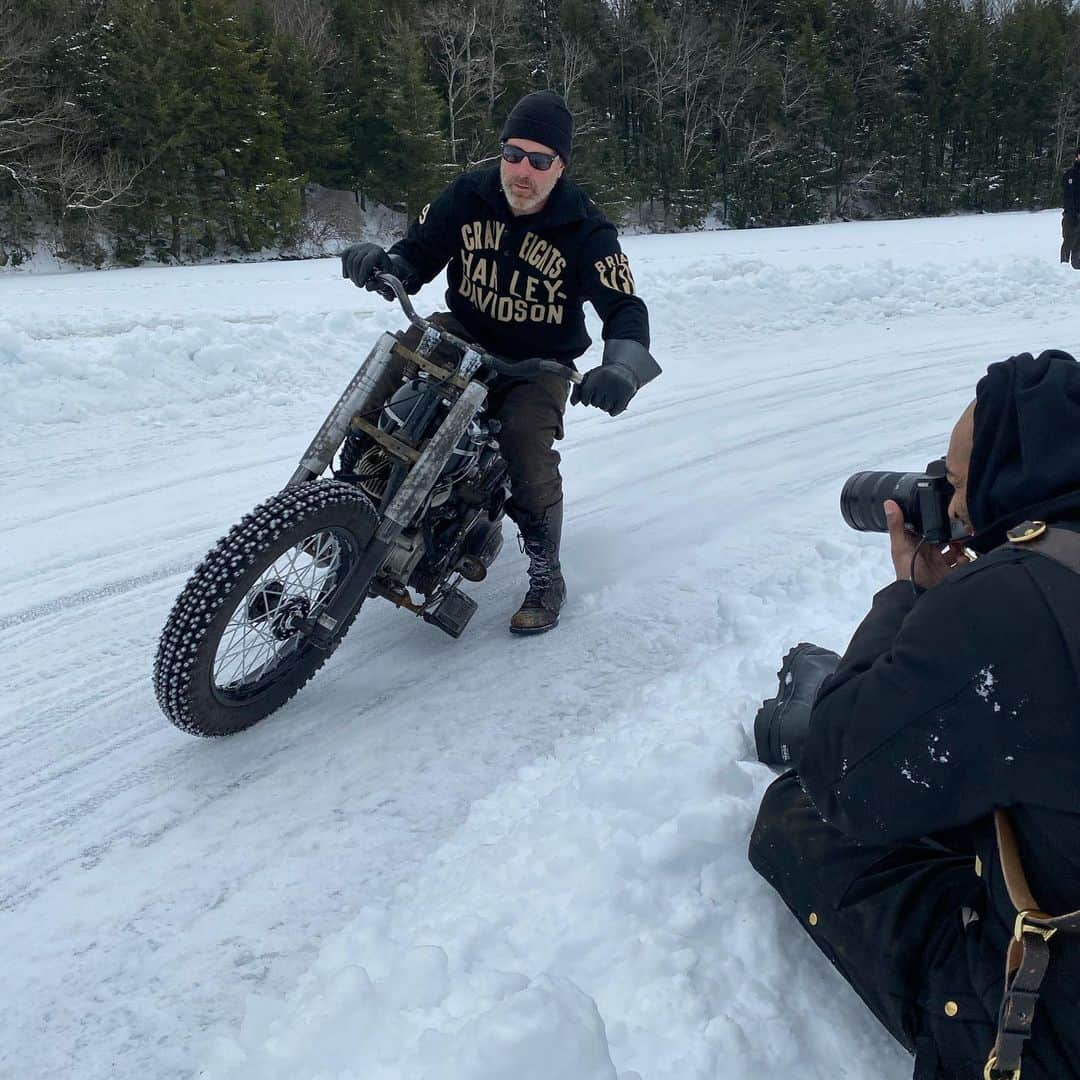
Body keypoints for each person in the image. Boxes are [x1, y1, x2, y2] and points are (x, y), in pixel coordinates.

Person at [749, 351, 1080, 1080]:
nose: (953, 503)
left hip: (1050, 1029)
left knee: (794, 812)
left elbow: (845, 778)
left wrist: (908, 595)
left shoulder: (1008, 602)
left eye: (960, 482)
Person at [339, 90, 660, 635]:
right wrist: (385, 264)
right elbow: (420, 250)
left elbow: (625, 306)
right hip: (464, 329)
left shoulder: (587, 231)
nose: (523, 171)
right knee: (390, 362)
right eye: (513, 154)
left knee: (522, 440)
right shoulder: (470, 192)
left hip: (538, 362)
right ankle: (342, 498)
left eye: (539, 160)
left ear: (560, 166)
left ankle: (545, 571)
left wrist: (621, 369)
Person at [1061, 147, 1080, 267]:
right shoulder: (1070, 174)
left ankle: (1076, 268)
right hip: (1072, 215)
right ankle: (1064, 269)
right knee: (1069, 241)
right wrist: (1072, 214)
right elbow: (1068, 195)